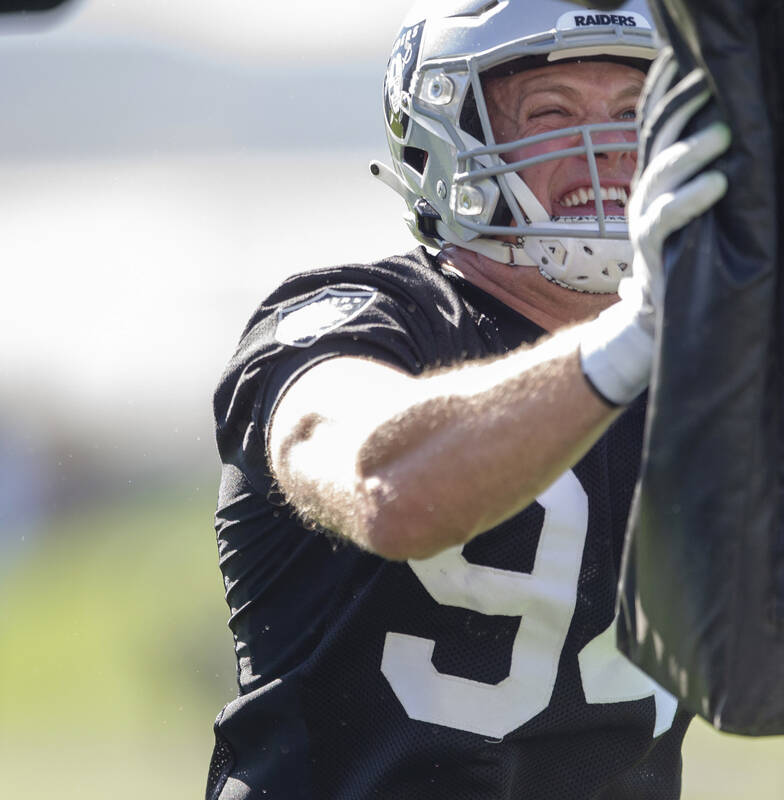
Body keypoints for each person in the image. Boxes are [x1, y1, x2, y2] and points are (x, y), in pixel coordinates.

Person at [206, 1, 729, 797]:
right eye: (552, 112)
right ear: (448, 133)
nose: (612, 148)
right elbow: (388, 488)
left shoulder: (713, 350)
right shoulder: (352, 322)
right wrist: (635, 337)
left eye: (637, 111)